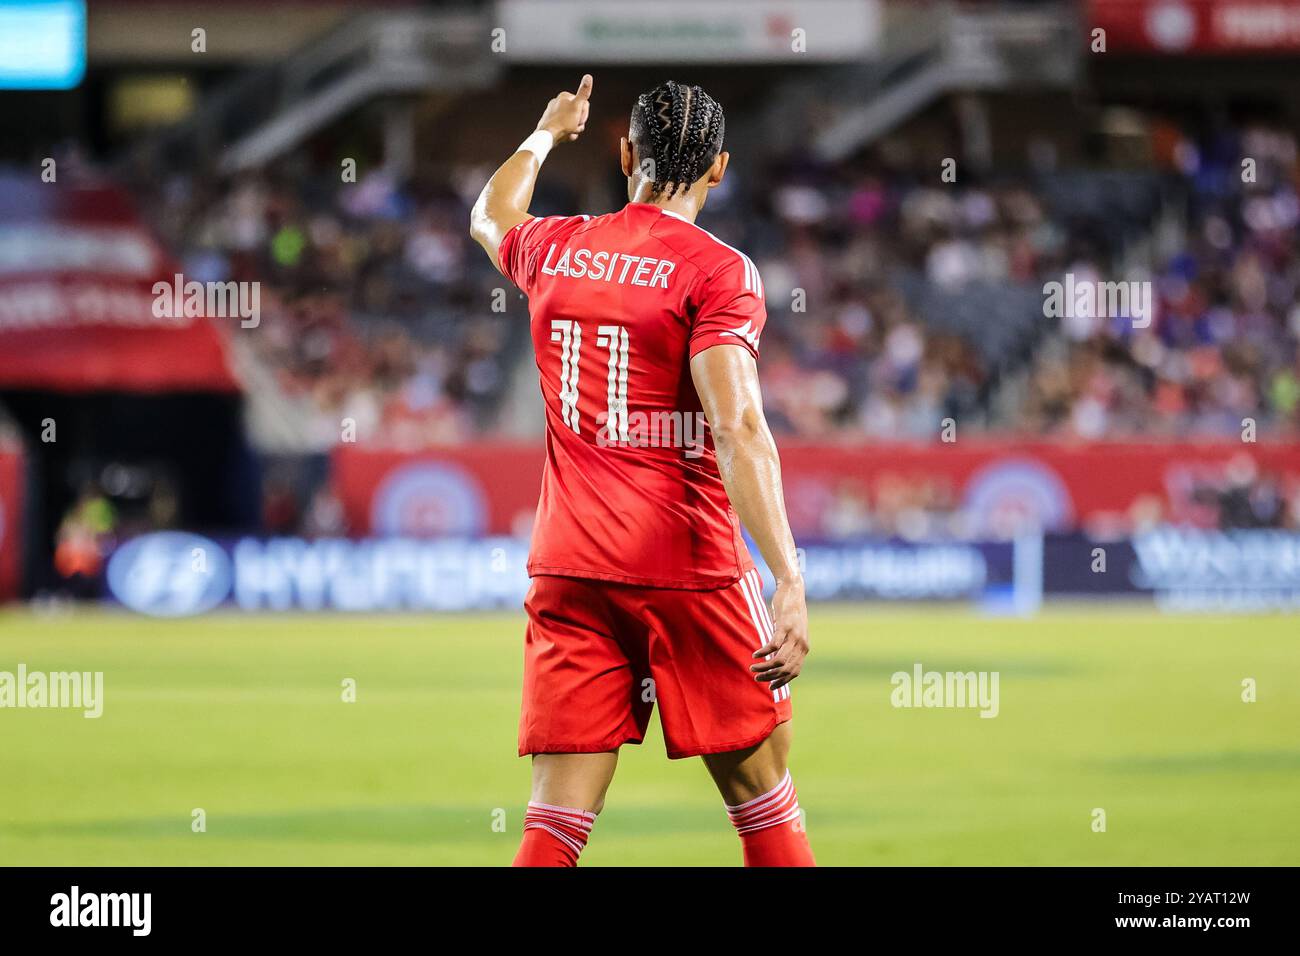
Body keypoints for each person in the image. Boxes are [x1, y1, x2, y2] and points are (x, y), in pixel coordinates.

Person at [470, 75, 814, 867]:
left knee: (553, 828)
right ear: (719, 168)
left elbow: (489, 215)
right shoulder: (719, 272)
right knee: (763, 802)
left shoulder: (556, 246)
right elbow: (738, 425)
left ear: (626, 153)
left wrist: (546, 133)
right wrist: (788, 577)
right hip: (687, 569)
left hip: (569, 568)